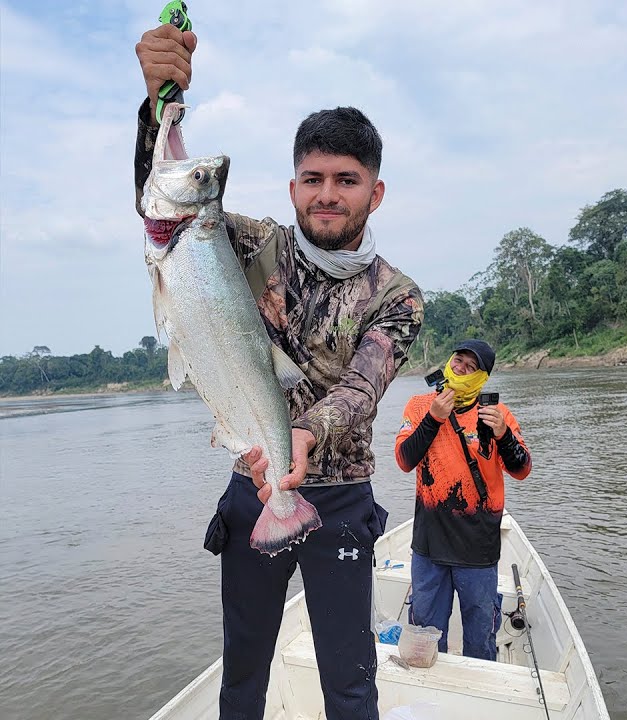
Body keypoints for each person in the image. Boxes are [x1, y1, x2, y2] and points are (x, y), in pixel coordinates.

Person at [134, 22, 424, 720]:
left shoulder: (397, 295)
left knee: (350, 683)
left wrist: (305, 434)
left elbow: (363, 387)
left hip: (342, 501)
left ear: (374, 193)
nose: (328, 195)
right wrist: (155, 111)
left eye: (346, 182)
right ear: (293, 186)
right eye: (314, 179)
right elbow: (162, 204)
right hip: (250, 484)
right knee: (243, 674)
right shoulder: (250, 244)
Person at [394, 340, 532, 661]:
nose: (461, 369)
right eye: (458, 361)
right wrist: (433, 418)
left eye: (472, 368)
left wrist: (503, 435)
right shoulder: (418, 406)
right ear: (449, 360)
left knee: (480, 637)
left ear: (482, 379)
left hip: (478, 550)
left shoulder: (498, 416)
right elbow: (404, 459)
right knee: (425, 636)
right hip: (429, 547)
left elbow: (522, 469)